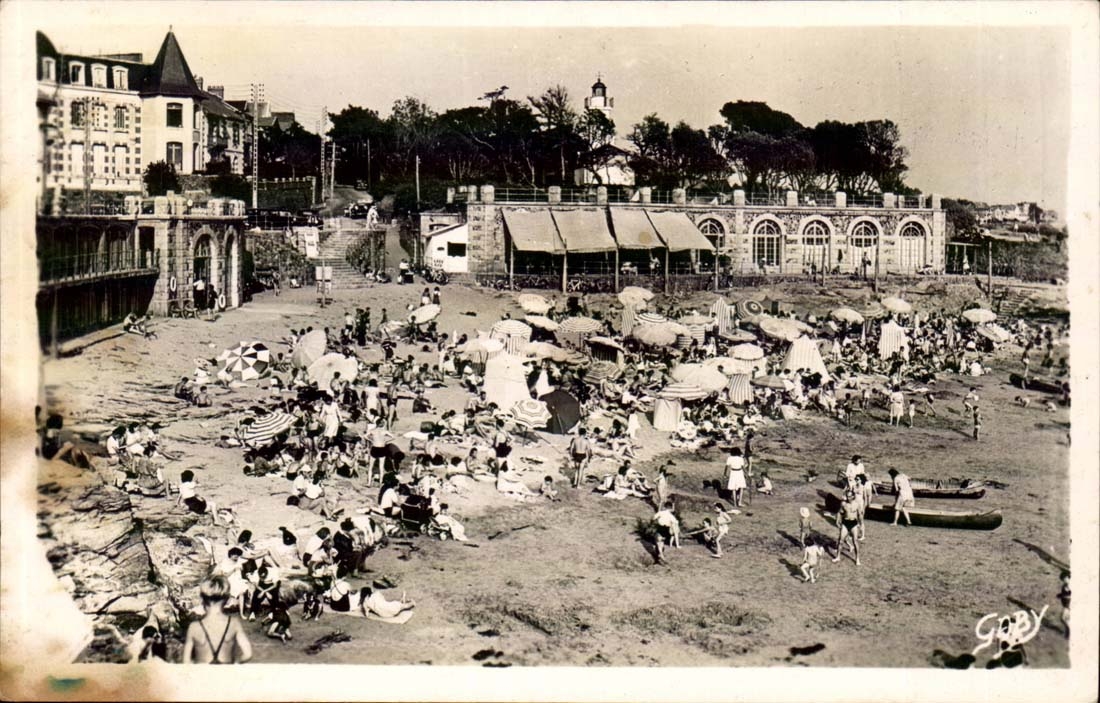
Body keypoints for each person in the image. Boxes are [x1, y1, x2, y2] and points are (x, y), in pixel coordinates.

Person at [182, 576, 253, 664]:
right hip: (225, 674)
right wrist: (236, 663)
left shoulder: (194, 627)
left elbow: (186, 662)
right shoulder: (233, 624)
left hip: (202, 674)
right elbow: (248, 654)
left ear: (202, 600)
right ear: (227, 601)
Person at [832, 489, 861, 565]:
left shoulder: (857, 504)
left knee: (855, 541)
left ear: (853, 496)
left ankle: (857, 558)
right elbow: (839, 512)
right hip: (845, 523)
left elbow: (860, 515)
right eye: (847, 496)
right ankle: (838, 557)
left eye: (850, 496)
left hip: (853, 523)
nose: (849, 498)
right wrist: (837, 521)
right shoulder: (843, 504)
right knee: (840, 540)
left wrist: (860, 525)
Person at [856, 474, 875, 541]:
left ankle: (863, 535)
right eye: (856, 479)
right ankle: (854, 534)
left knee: (861, 520)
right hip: (855, 505)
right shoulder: (854, 487)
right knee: (855, 520)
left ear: (861, 480)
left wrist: (863, 508)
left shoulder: (863, 487)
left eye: (858, 479)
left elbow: (865, 498)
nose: (856, 480)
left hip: (860, 505)